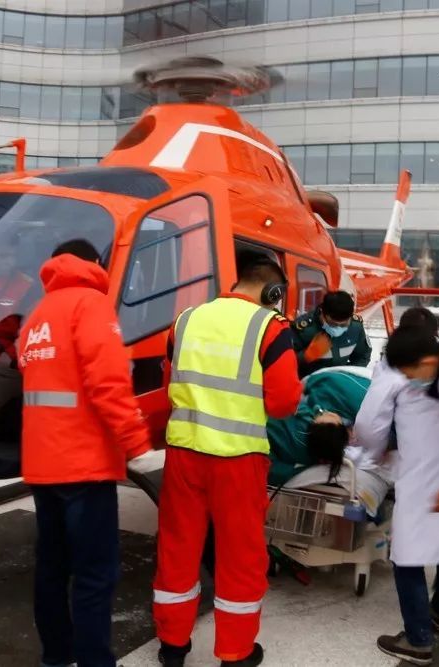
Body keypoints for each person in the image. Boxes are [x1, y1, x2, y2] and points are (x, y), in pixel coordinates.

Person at [18, 239, 164, 667]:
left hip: (43, 466)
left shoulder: (37, 316)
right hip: (84, 467)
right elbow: (109, 384)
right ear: (95, 264)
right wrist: (138, 447)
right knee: (95, 575)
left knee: (51, 570)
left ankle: (56, 658)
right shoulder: (91, 305)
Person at [153, 256, 302, 667]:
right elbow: (284, 402)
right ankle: (235, 653)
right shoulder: (269, 329)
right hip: (238, 460)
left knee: (177, 549)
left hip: (184, 454)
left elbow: (171, 385)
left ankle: (172, 646)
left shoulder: (184, 321)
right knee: (240, 556)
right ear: (273, 293)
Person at [358, 326, 439, 666]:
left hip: (419, 484)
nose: (407, 376)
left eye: (409, 369)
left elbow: (369, 425)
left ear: (425, 360)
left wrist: (375, 457)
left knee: (406, 559)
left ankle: (418, 639)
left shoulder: (397, 382)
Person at [266, 366, 371, 486]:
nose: (325, 411)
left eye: (323, 414)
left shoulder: (300, 418)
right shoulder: (307, 456)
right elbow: (274, 472)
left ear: (314, 424)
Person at [292, 290, 371, 377]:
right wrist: (306, 356)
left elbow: (363, 356)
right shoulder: (303, 330)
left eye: (344, 325)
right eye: (333, 324)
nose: (338, 328)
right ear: (322, 313)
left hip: (340, 382)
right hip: (308, 384)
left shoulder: (355, 328)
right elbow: (283, 363)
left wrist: (348, 376)